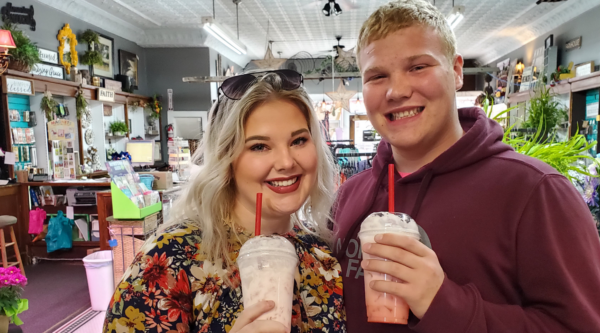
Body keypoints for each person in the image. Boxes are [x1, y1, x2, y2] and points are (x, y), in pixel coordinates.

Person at [333, 0, 600, 332]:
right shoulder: (349, 195)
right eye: (376, 75)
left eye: (418, 67)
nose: (397, 90)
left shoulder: (537, 192)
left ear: (457, 70)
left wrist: (442, 302)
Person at [103, 70, 346, 333]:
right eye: (259, 146)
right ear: (226, 159)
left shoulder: (322, 256)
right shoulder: (170, 259)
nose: (287, 162)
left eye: (299, 140)